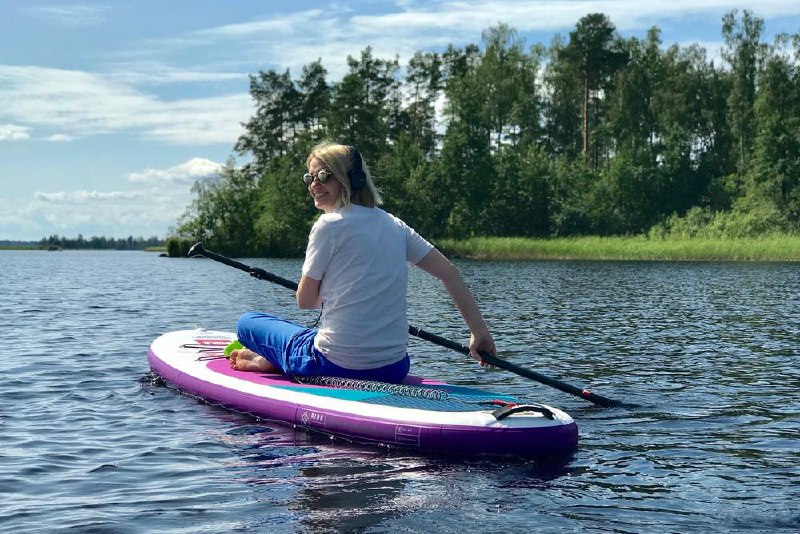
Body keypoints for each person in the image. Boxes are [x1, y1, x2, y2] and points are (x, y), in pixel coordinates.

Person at [229, 141, 496, 383]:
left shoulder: (328, 225)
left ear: (352, 180)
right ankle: (271, 360)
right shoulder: (395, 225)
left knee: (247, 323)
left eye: (323, 175)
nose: (314, 184)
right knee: (306, 336)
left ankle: (277, 360)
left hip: (333, 366)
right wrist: (479, 332)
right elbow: (448, 273)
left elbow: (305, 301)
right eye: (309, 177)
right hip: (393, 368)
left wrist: (333, 294)